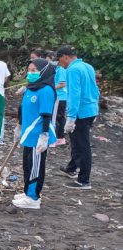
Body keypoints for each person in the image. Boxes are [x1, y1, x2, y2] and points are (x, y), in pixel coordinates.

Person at [11, 59, 57, 209]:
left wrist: (44, 136)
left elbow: (46, 115)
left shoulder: (47, 91)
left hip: (38, 135)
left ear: (43, 71)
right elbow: (22, 109)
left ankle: (33, 198)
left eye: (33, 70)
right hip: (27, 134)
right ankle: (27, 192)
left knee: (36, 167)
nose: (30, 73)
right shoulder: (30, 88)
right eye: (29, 70)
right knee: (27, 165)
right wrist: (18, 127)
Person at [56, 45, 99, 189]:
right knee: (77, 141)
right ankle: (71, 168)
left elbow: (74, 94)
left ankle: (84, 180)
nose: (60, 64)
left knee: (82, 145)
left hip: (80, 112)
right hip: (91, 108)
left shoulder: (73, 70)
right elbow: (95, 89)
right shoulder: (87, 66)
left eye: (60, 60)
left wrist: (71, 117)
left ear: (65, 57)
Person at [47, 51, 68, 146]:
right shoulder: (56, 69)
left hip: (60, 97)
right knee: (59, 117)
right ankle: (60, 137)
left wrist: (50, 88)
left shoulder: (62, 70)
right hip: (58, 96)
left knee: (57, 117)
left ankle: (57, 138)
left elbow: (63, 84)